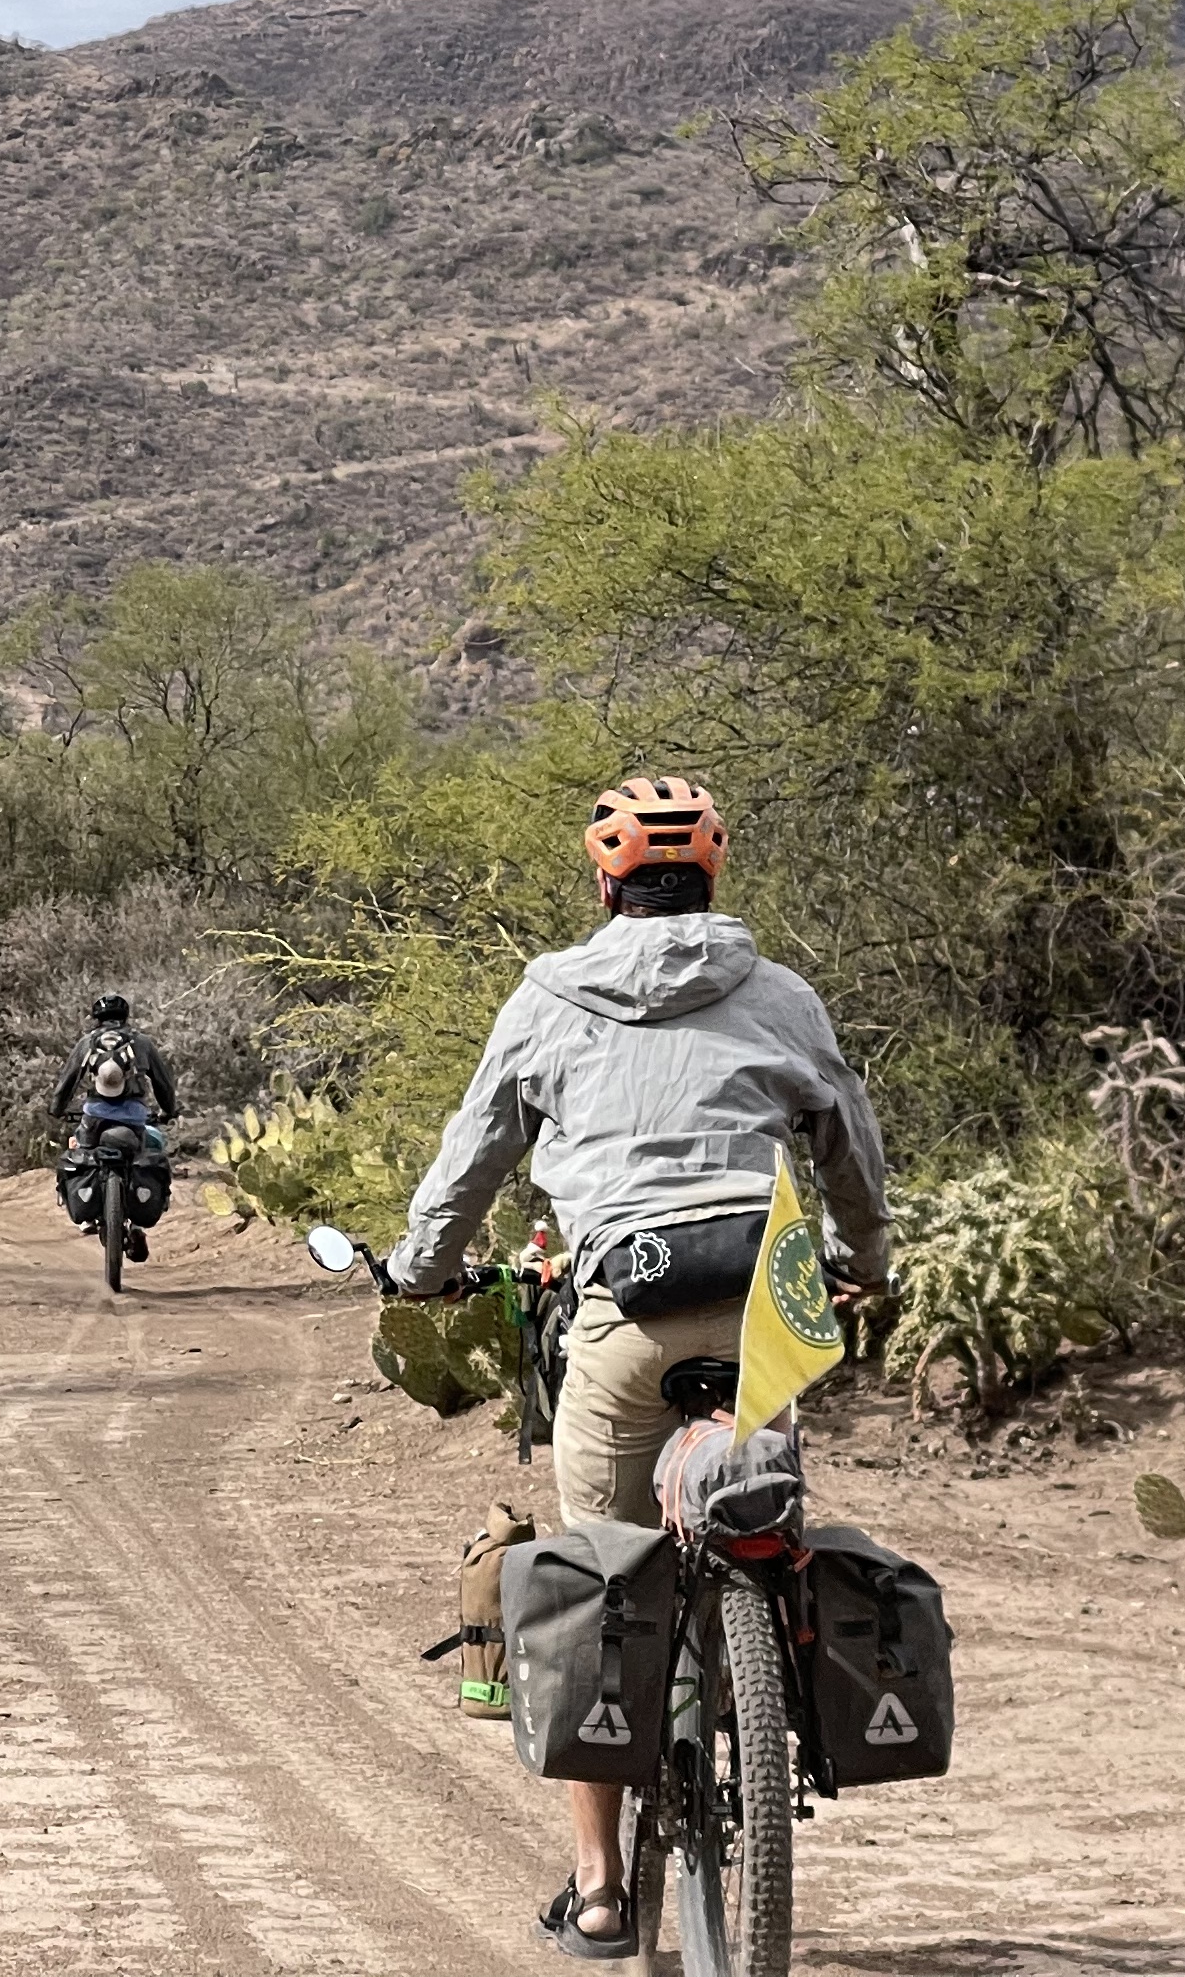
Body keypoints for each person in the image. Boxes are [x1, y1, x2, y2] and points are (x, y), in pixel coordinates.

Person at [380, 776, 887, 1963]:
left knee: (602, 1576)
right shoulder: (781, 995)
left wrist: (418, 1271)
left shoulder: (550, 996)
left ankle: (601, 1889)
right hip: (774, 1307)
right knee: (762, 1508)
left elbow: (471, 1162)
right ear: (712, 875)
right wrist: (868, 1264)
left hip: (625, 1308)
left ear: (606, 881)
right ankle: (773, 1692)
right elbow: (849, 1148)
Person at [51, 990, 176, 1260]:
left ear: (96, 1018)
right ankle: (139, 1224)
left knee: (83, 1155)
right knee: (142, 1158)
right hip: (134, 1117)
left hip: (94, 1116)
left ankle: (86, 1216)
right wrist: (169, 1110)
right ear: (125, 1016)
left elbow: (69, 1080)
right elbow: (162, 1082)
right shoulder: (141, 1042)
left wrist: (57, 1110)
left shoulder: (87, 1042)